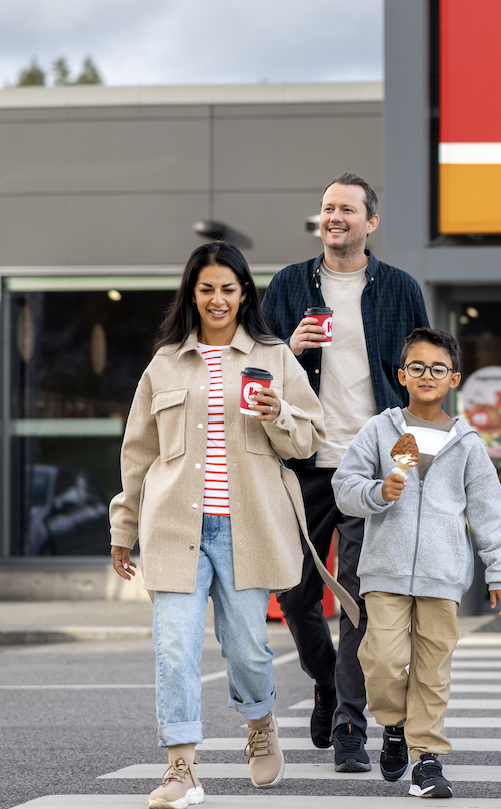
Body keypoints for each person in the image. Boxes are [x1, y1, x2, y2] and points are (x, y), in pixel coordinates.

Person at [110, 241, 344, 809]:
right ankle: (180, 767)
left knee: (247, 649)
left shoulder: (275, 357)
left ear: (244, 295)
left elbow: (309, 439)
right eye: (207, 288)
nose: (218, 300)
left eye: (229, 289)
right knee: (174, 649)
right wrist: (124, 527)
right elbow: (137, 453)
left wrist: (277, 413)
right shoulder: (164, 363)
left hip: (249, 526)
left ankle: (259, 723)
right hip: (173, 528)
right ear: (192, 294)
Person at [261, 172, 431, 771]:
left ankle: (350, 727)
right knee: (296, 594)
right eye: (328, 208)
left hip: (368, 468)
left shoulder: (401, 289)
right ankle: (328, 684)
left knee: (358, 601)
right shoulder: (287, 286)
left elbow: (423, 382)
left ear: (370, 222)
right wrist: (290, 348)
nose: (335, 217)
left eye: (348, 210)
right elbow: (252, 373)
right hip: (302, 462)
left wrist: (409, 467)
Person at [332, 327, 501, 798]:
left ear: (453, 378)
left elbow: (489, 512)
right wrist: (378, 492)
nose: (427, 375)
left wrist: (500, 572)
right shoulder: (379, 430)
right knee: (382, 661)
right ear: (401, 375)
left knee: (434, 669)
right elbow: (344, 486)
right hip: (384, 571)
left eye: (438, 368)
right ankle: (393, 725)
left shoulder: (467, 442)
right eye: (417, 367)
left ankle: (427, 759)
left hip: (443, 573)